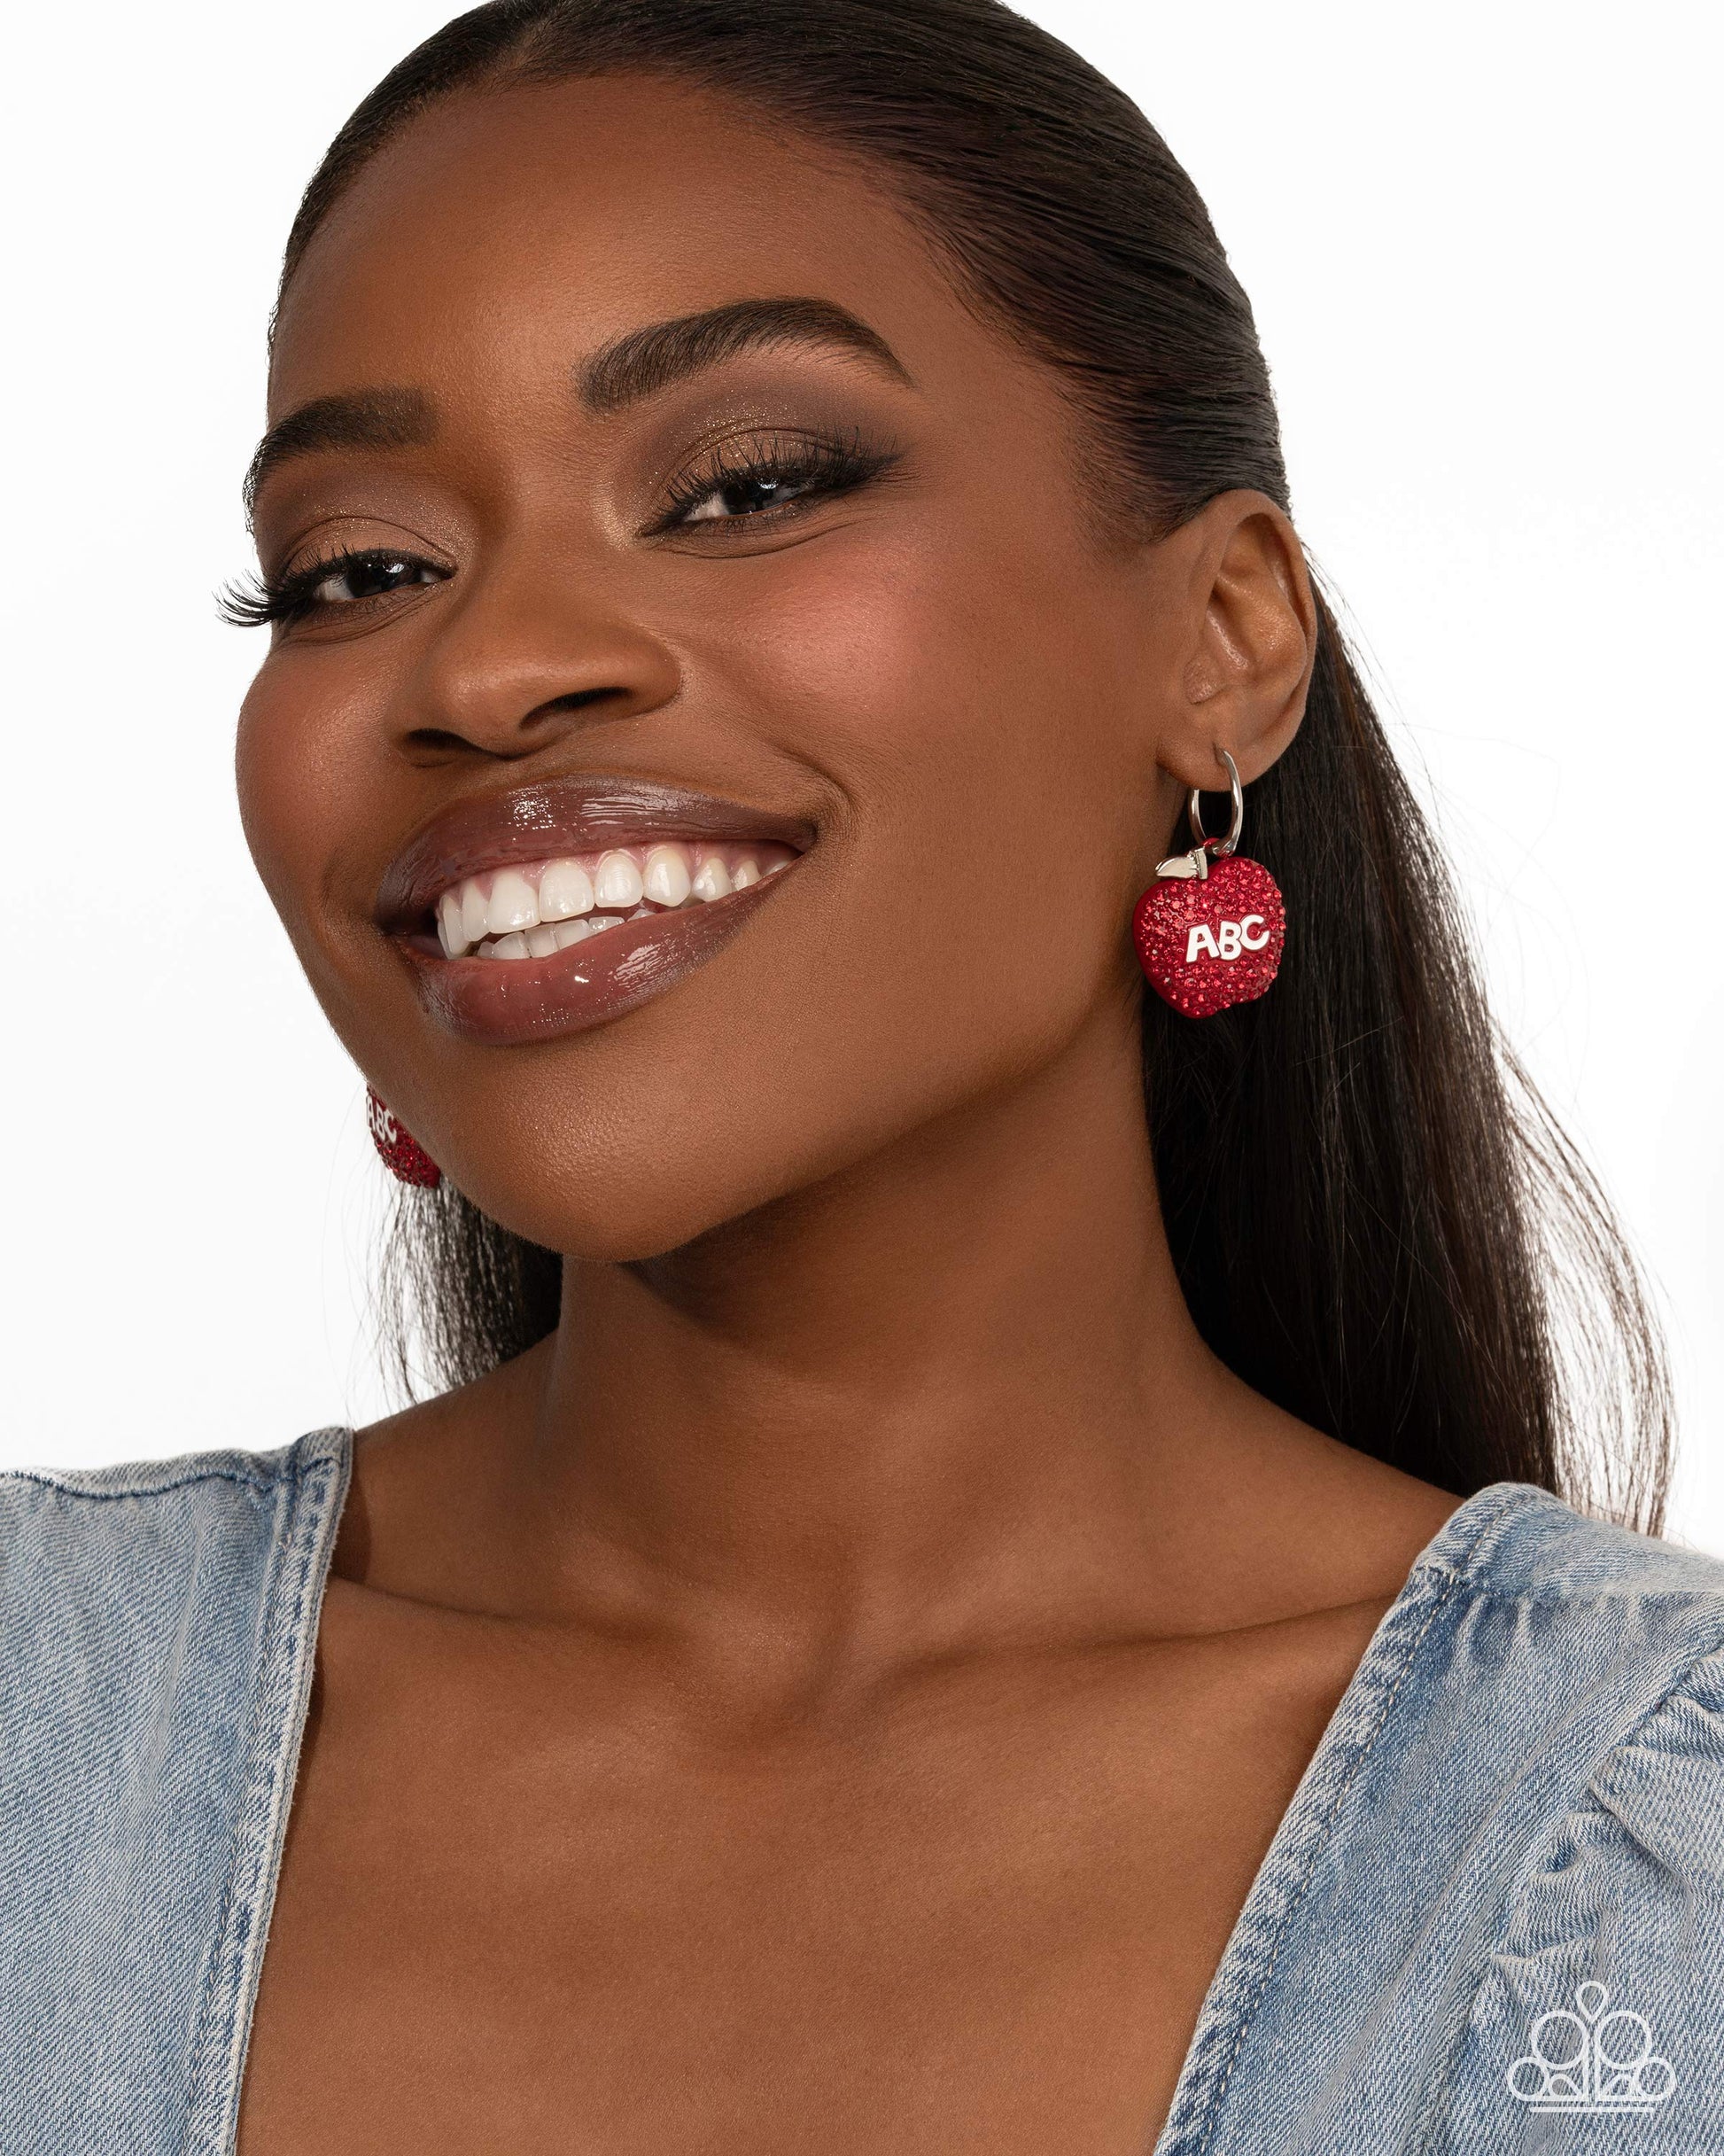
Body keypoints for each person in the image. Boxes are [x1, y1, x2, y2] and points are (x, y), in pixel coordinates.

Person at [4, 1, 1720, 2149]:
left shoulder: (1648, 1859)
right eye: (360, 568)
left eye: (745, 486)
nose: (493, 665)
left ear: (1222, 640)